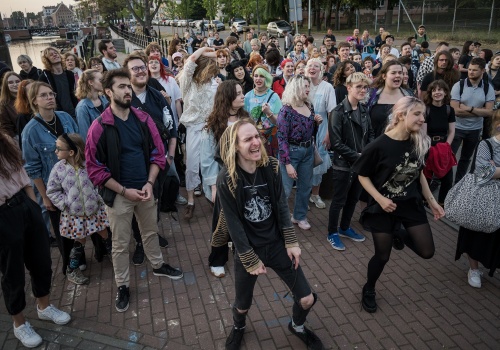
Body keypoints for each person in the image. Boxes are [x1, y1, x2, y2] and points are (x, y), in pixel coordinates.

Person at [218, 118, 324, 350]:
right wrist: (248, 257)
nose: (256, 142)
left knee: (306, 299)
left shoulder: (272, 167)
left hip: (276, 245)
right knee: (242, 304)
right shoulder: (228, 178)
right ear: (235, 146)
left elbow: (281, 206)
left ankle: (297, 326)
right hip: (249, 250)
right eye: (248, 139)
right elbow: (233, 223)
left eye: (257, 136)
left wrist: (291, 241)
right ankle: (238, 327)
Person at [85, 68, 183, 312]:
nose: (128, 90)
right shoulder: (99, 126)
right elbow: (94, 168)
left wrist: (149, 183)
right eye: (121, 86)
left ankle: (158, 265)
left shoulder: (143, 118)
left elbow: (157, 153)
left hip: (145, 189)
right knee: (120, 243)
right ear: (108, 92)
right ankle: (123, 285)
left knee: (150, 232)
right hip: (120, 195)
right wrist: (123, 191)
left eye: (129, 86)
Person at [353, 96, 445, 313]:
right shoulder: (378, 145)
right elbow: (362, 176)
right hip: (383, 208)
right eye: (417, 114)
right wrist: (380, 199)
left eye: (423, 115)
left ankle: (399, 233)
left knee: (427, 251)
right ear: (402, 115)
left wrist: (431, 201)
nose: (423, 119)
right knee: (382, 256)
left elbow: (418, 171)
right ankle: (369, 288)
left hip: (410, 204)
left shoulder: (418, 140)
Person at [0, 132, 71, 348]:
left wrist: (33, 208)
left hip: (24, 203)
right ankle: (19, 323)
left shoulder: (4, 141)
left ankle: (44, 307)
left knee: (41, 261)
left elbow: (22, 176)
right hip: (2, 215)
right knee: (13, 273)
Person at [22, 82, 79, 274]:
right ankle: (70, 268)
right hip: (54, 190)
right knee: (63, 231)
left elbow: (79, 147)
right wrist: (45, 197)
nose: (50, 98)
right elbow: (32, 168)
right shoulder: (30, 131)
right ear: (34, 101)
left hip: (76, 182)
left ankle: (81, 258)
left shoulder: (65, 118)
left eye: (51, 94)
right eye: (44, 95)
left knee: (80, 222)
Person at [46, 133, 111, 285]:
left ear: (71, 152)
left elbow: (100, 182)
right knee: (79, 241)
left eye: (58, 148)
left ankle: (115, 257)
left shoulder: (89, 164)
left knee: (105, 234)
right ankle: (72, 270)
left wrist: (98, 198)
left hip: (95, 211)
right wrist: (65, 203)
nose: (55, 151)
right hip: (74, 215)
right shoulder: (58, 169)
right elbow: (52, 190)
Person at [201, 80, 249, 278]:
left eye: (242, 92)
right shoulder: (213, 124)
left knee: (246, 220)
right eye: (238, 93)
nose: (242, 96)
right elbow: (207, 158)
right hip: (224, 180)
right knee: (222, 223)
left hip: (246, 178)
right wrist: (213, 186)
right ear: (227, 97)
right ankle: (218, 259)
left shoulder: (246, 119)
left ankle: (244, 254)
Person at [327, 73, 374, 251]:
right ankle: (332, 232)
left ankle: (345, 228)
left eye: (365, 87)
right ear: (349, 88)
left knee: (353, 199)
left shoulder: (364, 109)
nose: (363, 90)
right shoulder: (338, 112)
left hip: (361, 164)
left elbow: (371, 134)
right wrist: (359, 156)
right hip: (343, 165)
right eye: (359, 87)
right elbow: (336, 143)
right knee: (339, 200)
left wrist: (367, 153)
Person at [455, 110, 500, 288]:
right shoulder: (486, 145)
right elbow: (483, 172)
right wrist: (492, 171)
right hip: (483, 199)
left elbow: (492, 171)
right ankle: (473, 269)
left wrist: (495, 169)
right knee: (476, 234)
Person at [277, 75, 323, 231]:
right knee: (285, 189)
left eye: (308, 86)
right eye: (304, 86)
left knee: (305, 186)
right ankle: (280, 220)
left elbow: (311, 132)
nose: (308, 89)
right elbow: (281, 138)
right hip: (291, 152)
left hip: (308, 151)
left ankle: (299, 216)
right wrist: (287, 163)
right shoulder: (286, 110)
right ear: (295, 87)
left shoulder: (309, 106)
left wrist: (316, 123)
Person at [179, 47, 219, 220]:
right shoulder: (187, 83)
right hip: (194, 128)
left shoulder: (213, 84)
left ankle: (212, 196)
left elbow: (223, 54)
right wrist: (203, 50)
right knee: (192, 165)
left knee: (210, 164)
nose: (211, 74)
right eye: (209, 71)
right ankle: (190, 201)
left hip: (211, 127)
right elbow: (190, 61)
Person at [450, 57, 495, 185]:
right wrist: (479, 111)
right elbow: (455, 111)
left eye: (474, 70)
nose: (470, 72)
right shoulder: (459, 85)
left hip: (475, 130)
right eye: (469, 69)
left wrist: (468, 108)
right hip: (457, 128)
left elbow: (490, 112)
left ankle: (458, 184)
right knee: (449, 157)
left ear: (482, 71)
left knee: (466, 159)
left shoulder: (487, 88)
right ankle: (442, 184)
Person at [306, 58, 336, 209]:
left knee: (318, 163)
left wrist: (329, 134)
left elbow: (332, 113)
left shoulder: (327, 87)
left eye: (316, 66)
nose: (312, 68)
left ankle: (315, 195)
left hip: (321, 130)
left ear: (321, 70)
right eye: (310, 65)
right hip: (302, 131)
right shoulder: (301, 83)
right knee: (303, 162)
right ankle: (304, 194)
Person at [422, 80, 456, 205]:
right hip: (429, 146)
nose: (437, 92)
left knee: (447, 178)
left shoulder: (449, 110)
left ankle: (442, 203)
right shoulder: (426, 110)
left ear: (445, 92)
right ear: (430, 93)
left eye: (440, 90)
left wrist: (447, 145)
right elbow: (423, 133)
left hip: (444, 146)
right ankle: (424, 200)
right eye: (434, 90)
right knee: (426, 176)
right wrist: (428, 148)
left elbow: (452, 131)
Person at [367, 61, 413, 138]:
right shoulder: (372, 95)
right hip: (375, 145)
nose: (398, 75)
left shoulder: (409, 95)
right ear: (384, 76)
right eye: (393, 73)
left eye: (400, 73)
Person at [244, 65, 283, 157]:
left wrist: (269, 113)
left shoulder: (274, 96)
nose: (258, 79)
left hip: (270, 140)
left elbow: (279, 122)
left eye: (262, 76)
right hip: (253, 139)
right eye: (256, 76)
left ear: (267, 78)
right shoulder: (247, 96)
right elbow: (243, 119)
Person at [39, 47, 78, 119]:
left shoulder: (70, 74)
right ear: (47, 60)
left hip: (74, 112)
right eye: (51, 55)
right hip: (58, 115)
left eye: (56, 53)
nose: (55, 55)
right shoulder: (44, 77)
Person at [75, 69, 108, 141]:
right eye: (100, 80)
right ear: (90, 82)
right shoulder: (82, 107)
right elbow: (85, 136)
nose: (104, 82)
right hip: (97, 147)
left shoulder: (105, 99)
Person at [0, 72, 22, 138]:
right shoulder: (4, 104)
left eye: (17, 81)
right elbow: (6, 127)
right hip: (18, 137)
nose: (15, 84)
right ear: (6, 85)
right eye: (10, 82)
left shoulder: (29, 98)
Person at [15, 79, 35, 150]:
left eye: (35, 89)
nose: (34, 93)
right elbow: (24, 144)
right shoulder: (22, 117)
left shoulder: (46, 111)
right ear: (24, 95)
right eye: (30, 91)